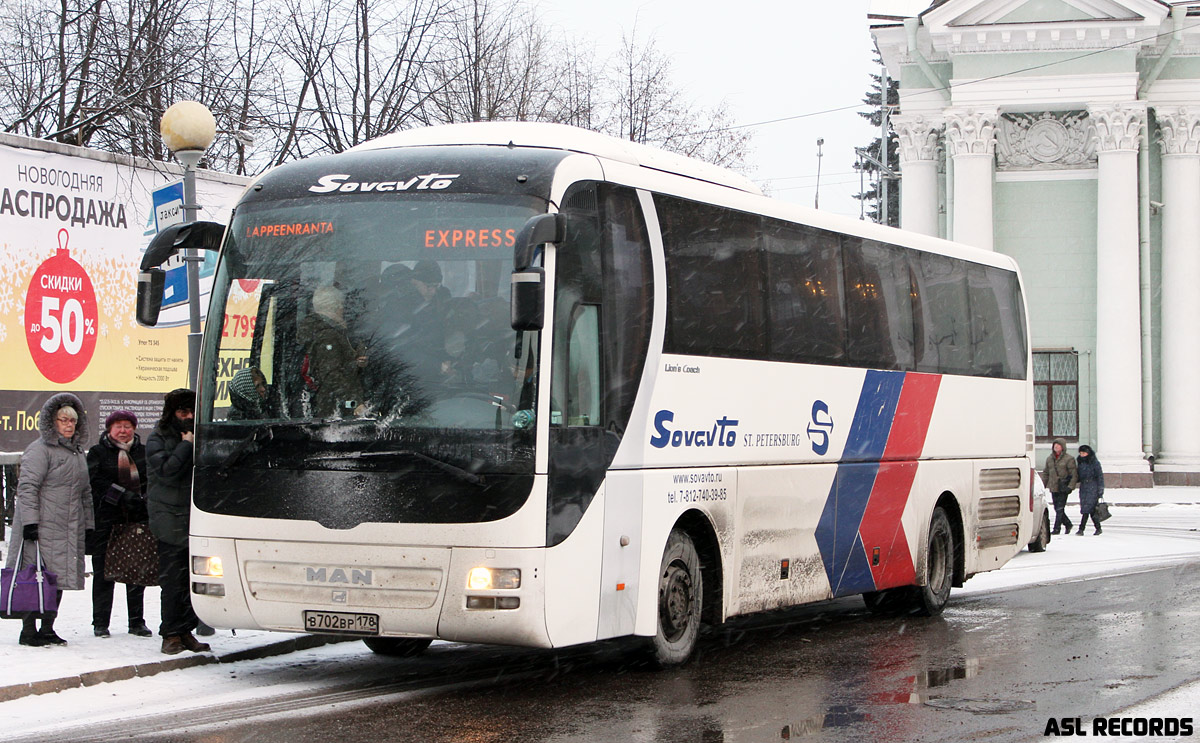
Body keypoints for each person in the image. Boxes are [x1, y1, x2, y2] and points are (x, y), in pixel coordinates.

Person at [6, 392, 94, 647]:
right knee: (35, 578)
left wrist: (88, 525)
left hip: (68, 527)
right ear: (52, 422)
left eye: (72, 421)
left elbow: (85, 492)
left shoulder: (77, 453)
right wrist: (30, 523)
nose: (68, 425)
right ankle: (28, 629)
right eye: (63, 420)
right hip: (43, 527)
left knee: (57, 580)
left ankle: (47, 627)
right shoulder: (39, 450)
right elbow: (28, 488)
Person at [146, 388, 211, 655]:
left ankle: (186, 630)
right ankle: (170, 633)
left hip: (193, 516)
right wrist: (186, 445)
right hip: (169, 518)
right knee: (172, 580)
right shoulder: (157, 439)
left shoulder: (197, 435)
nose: (189, 416)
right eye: (183, 412)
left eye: (192, 411)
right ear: (172, 413)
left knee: (191, 579)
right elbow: (166, 472)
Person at [86, 410, 153, 638]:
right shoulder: (98, 452)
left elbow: (153, 480)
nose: (123, 431)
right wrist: (121, 495)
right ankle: (100, 622)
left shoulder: (143, 453)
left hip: (136, 519)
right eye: (118, 426)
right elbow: (95, 480)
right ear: (109, 429)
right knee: (103, 572)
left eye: (127, 426)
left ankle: (136, 622)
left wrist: (143, 500)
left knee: (136, 570)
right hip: (106, 520)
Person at [299, 285, 367, 417]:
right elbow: (331, 374)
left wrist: (355, 363)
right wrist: (356, 402)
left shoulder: (318, 331)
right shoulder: (328, 335)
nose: (343, 310)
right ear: (336, 306)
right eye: (341, 305)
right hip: (334, 409)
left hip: (328, 404)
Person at [1043, 438, 1077, 535]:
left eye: (1058, 445)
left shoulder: (1069, 459)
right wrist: (1043, 485)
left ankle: (1056, 528)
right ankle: (1068, 524)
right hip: (1053, 486)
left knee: (1060, 508)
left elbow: (1074, 474)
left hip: (1063, 487)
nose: (1056, 447)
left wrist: (1070, 487)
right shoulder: (1050, 459)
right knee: (1057, 507)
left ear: (1063, 447)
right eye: (1055, 445)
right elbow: (1046, 473)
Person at [1075, 444, 1105, 536]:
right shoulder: (1080, 463)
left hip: (1093, 487)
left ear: (1088, 453)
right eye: (1081, 453)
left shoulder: (1095, 463)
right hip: (1084, 487)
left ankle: (1081, 529)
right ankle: (1098, 528)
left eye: (1083, 453)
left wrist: (1100, 490)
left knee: (1087, 509)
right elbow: (1078, 476)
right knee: (1090, 509)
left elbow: (1100, 477)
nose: (1082, 455)